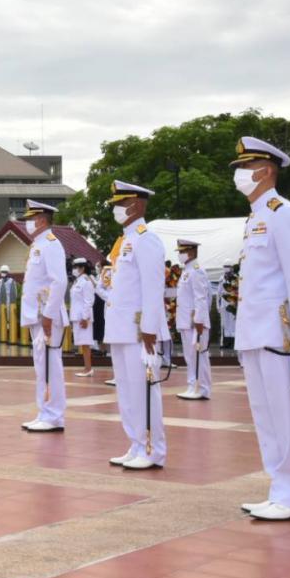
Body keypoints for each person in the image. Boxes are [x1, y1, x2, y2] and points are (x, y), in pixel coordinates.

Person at [229, 137, 290, 520]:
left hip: (278, 334)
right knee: (265, 416)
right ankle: (280, 488)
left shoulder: (283, 213)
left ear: (265, 171)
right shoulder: (255, 218)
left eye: (244, 167)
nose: (238, 174)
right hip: (254, 331)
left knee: (286, 416)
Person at [102, 181, 167, 470]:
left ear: (137, 205)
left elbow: (153, 287)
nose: (116, 209)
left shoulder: (145, 239)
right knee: (127, 393)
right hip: (120, 329)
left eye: (121, 203)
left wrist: (150, 329)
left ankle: (152, 449)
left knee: (143, 391)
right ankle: (136, 444)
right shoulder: (124, 241)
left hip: (139, 330)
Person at [20, 200, 68, 433]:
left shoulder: (51, 244)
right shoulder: (38, 245)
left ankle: (54, 415)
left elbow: (60, 281)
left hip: (46, 316)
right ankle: (44, 412)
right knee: (42, 367)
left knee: (50, 366)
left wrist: (48, 314)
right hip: (37, 315)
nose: (27, 223)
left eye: (30, 219)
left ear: (40, 220)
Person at [175, 240, 213, 400]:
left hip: (195, 323)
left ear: (191, 252)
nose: (179, 255)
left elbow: (201, 297)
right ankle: (192, 386)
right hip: (186, 322)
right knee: (190, 357)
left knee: (199, 356)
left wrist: (199, 320)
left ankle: (202, 389)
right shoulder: (187, 271)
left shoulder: (197, 271)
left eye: (181, 251)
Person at [219, 263, 238, 349]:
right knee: (225, 323)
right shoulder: (221, 278)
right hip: (224, 303)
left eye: (227, 266)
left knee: (232, 323)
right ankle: (226, 342)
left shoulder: (235, 277)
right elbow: (219, 292)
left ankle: (233, 342)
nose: (225, 268)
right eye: (224, 266)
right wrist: (218, 305)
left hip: (232, 303)